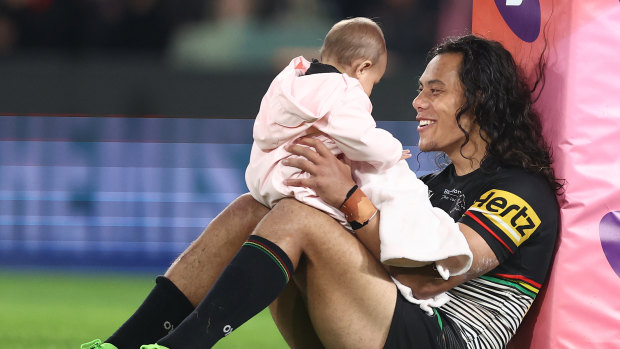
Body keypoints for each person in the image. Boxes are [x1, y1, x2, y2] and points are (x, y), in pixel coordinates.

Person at [81, 34, 561, 349]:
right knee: (256, 207)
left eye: (435, 91)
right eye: (419, 89)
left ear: (478, 101)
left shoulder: (522, 190)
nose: (417, 101)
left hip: (442, 338)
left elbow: (435, 277)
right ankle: (122, 344)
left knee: (299, 218)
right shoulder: (432, 185)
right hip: (389, 321)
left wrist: (347, 198)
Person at [245, 17, 472, 274]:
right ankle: (414, 245)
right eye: (374, 83)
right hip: (304, 183)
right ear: (362, 68)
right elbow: (363, 139)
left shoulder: (290, 81)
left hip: (265, 179)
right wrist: (393, 150)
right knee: (390, 174)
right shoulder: (344, 90)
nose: (370, 91)